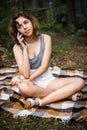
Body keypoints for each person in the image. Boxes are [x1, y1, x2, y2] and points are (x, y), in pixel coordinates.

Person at [9, 11, 84, 108]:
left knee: (80, 82)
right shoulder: (17, 47)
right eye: (19, 26)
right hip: (30, 84)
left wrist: (27, 80)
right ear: (17, 31)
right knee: (24, 88)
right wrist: (25, 49)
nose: (25, 27)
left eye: (26, 22)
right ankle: (67, 95)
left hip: (47, 80)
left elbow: (44, 67)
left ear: (32, 21)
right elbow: (26, 74)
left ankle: (40, 102)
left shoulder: (46, 38)